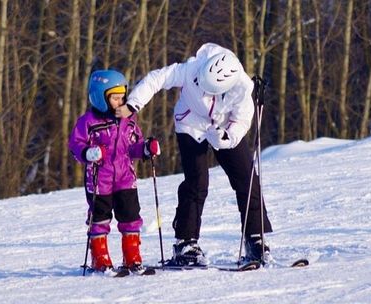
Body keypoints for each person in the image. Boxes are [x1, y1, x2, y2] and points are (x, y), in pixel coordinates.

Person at [115, 43, 273, 266]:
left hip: (223, 126)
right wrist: (133, 104)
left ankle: (256, 238)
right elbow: (156, 78)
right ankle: (185, 243)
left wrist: (228, 137)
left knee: (247, 179)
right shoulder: (192, 69)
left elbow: (243, 120)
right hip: (191, 124)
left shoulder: (243, 88)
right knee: (197, 182)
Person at [69, 69, 161, 273]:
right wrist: (88, 152)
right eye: (115, 98)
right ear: (100, 98)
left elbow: (133, 146)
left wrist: (146, 148)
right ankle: (100, 259)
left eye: (122, 97)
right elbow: (75, 145)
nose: (121, 102)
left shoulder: (128, 120)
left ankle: (132, 258)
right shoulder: (88, 122)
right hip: (99, 181)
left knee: (130, 216)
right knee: (100, 218)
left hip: (125, 178)